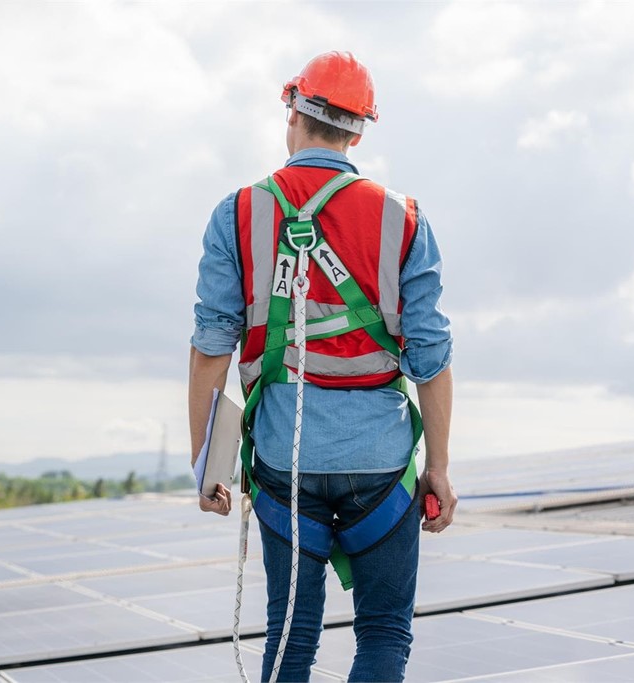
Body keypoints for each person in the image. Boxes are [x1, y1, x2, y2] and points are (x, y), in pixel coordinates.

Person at [188, 51, 456, 683]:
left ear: (293, 113)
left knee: (291, 636)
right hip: (382, 464)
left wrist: (208, 463)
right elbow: (431, 357)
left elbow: (210, 347)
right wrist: (438, 469)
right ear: (358, 131)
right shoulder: (403, 218)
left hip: (286, 462)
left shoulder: (238, 214)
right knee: (384, 632)